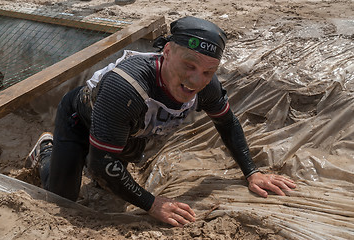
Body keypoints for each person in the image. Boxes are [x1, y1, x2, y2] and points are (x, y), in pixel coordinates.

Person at [25, 16, 296, 227]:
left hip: (127, 131)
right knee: (63, 198)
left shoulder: (207, 86)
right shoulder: (127, 87)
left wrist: (252, 172)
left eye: (207, 71)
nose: (195, 81)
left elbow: (227, 123)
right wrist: (151, 203)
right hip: (79, 119)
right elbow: (101, 163)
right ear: (166, 51)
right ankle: (47, 150)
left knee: (111, 179)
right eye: (189, 65)